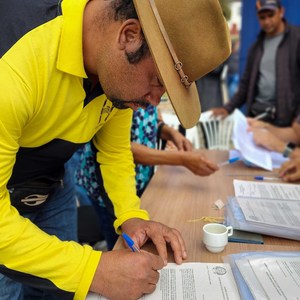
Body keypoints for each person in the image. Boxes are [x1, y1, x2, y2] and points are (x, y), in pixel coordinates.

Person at [0, 0, 230, 299]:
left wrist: (131, 215)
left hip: (53, 186)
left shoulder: (117, 72)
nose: (152, 102)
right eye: (157, 82)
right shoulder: (14, 68)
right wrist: (91, 268)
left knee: (60, 292)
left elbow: (115, 152)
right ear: (129, 35)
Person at [74, 105, 219, 250]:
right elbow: (119, 150)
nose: (155, 100)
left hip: (139, 181)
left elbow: (147, 120)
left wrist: (170, 132)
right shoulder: (119, 100)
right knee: (120, 246)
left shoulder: (144, 96)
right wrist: (181, 159)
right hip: (108, 190)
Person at [211, 0, 300, 127]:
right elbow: (245, 85)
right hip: (257, 117)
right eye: (262, 17)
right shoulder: (256, 48)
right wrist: (227, 108)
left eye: (271, 15)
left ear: (281, 12)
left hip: (287, 122)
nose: (267, 21)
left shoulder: (296, 39)